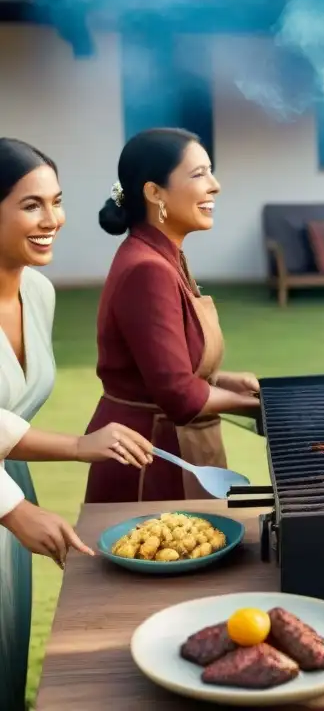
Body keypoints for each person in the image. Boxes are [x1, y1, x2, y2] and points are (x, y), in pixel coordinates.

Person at [0, 138, 153, 711]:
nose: (51, 220)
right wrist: (13, 508)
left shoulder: (38, 292)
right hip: (8, 502)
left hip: (14, 488)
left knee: (8, 644)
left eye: (56, 202)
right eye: (30, 205)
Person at [83, 128, 261, 504]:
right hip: (150, 459)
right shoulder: (148, 269)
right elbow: (178, 394)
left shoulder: (165, 255)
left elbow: (164, 367)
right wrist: (260, 405)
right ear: (154, 193)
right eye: (198, 174)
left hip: (169, 446)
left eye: (210, 172)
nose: (215, 186)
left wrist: (226, 382)